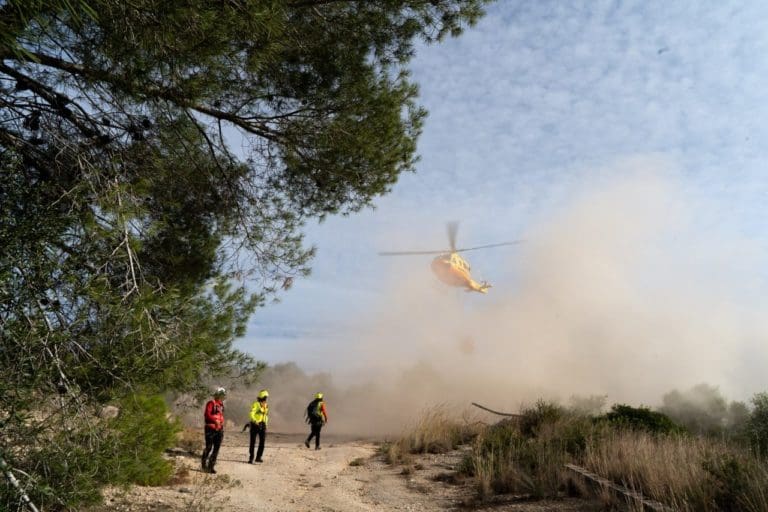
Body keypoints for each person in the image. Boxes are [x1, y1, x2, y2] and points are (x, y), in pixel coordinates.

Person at [201, 387, 226, 474]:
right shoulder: (211, 403)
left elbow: (220, 416)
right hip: (210, 428)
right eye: (221, 395)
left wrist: (221, 423)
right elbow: (207, 414)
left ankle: (211, 467)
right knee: (209, 447)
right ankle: (203, 465)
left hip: (219, 429)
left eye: (223, 396)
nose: (222, 397)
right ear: (217, 395)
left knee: (216, 449)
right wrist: (215, 421)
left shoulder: (221, 405)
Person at [248, 389, 269, 463]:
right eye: (265, 397)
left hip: (262, 425)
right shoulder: (256, 404)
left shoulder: (266, 405)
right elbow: (251, 413)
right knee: (252, 442)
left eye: (266, 397)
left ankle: (258, 457)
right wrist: (254, 421)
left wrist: (266, 424)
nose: (266, 399)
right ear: (262, 397)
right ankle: (251, 458)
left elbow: (266, 415)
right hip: (255, 425)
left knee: (262, 442)